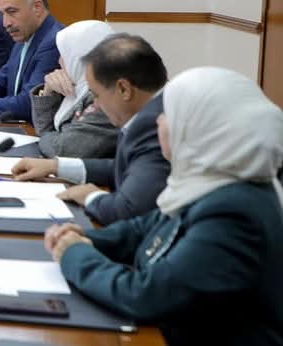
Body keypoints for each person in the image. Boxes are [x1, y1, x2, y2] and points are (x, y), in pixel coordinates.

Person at [45, 67, 283, 345]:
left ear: (202, 129)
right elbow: (145, 229)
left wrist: (76, 255)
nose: (159, 120)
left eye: (170, 114)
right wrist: (84, 238)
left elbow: (146, 296)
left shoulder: (234, 212)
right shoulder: (211, 180)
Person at [13, 34, 170, 225]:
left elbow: (128, 209)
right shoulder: (153, 110)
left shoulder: (154, 125)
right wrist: (56, 167)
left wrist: (90, 196)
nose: (95, 104)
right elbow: (124, 167)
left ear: (124, 89)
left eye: (96, 95)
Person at [30, 20, 119, 158]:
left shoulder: (104, 98)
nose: (59, 61)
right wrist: (47, 90)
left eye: (64, 54)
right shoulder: (77, 87)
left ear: (79, 57)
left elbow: (62, 150)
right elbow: (44, 129)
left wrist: (47, 136)